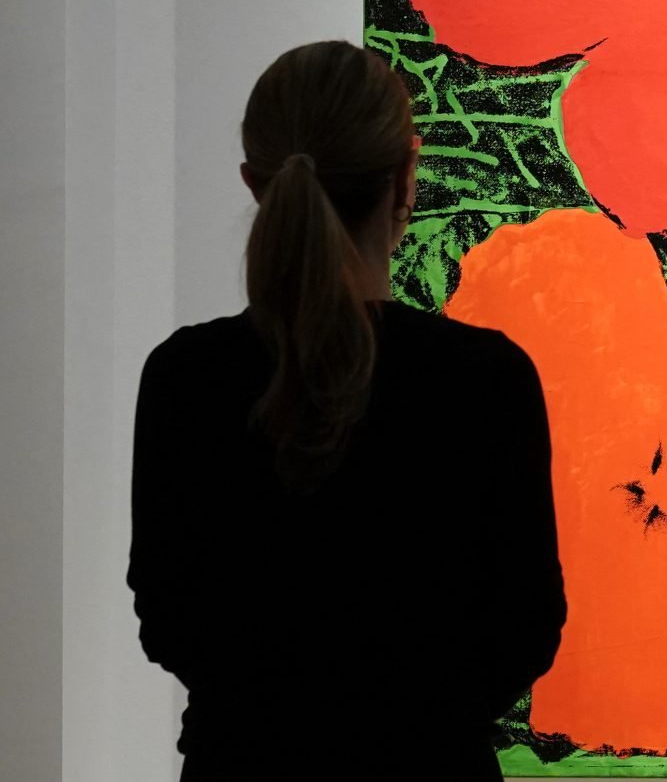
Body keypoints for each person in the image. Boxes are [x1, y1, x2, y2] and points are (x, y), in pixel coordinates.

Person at [128, 40, 564, 780]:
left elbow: (170, 618)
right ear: (405, 182)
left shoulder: (185, 379)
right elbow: (526, 627)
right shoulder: (487, 380)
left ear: (256, 185)